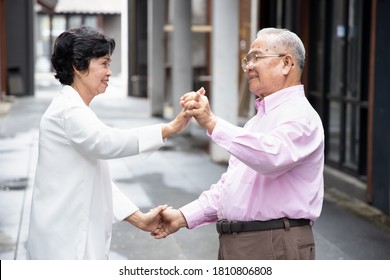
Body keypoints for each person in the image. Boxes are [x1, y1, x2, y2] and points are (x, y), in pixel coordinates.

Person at [154, 27, 325, 260]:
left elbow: (271, 156)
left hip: (273, 242)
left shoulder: (301, 116)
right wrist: (183, 216)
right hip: (243, 242)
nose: (249, 66)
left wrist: (213, 124)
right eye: (248, 59)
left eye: (257, 57)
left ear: (287, 63)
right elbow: (231, 188)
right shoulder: (257, 121)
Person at [26, 26, 191, 259]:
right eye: (104, 63)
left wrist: (139, 219)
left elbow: (98, 180)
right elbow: (107, 142)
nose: (109, 72)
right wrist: (168, 129)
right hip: (62, 245)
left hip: (70, 240)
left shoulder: (74, 108)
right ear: (77, 66)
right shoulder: (68, 110)